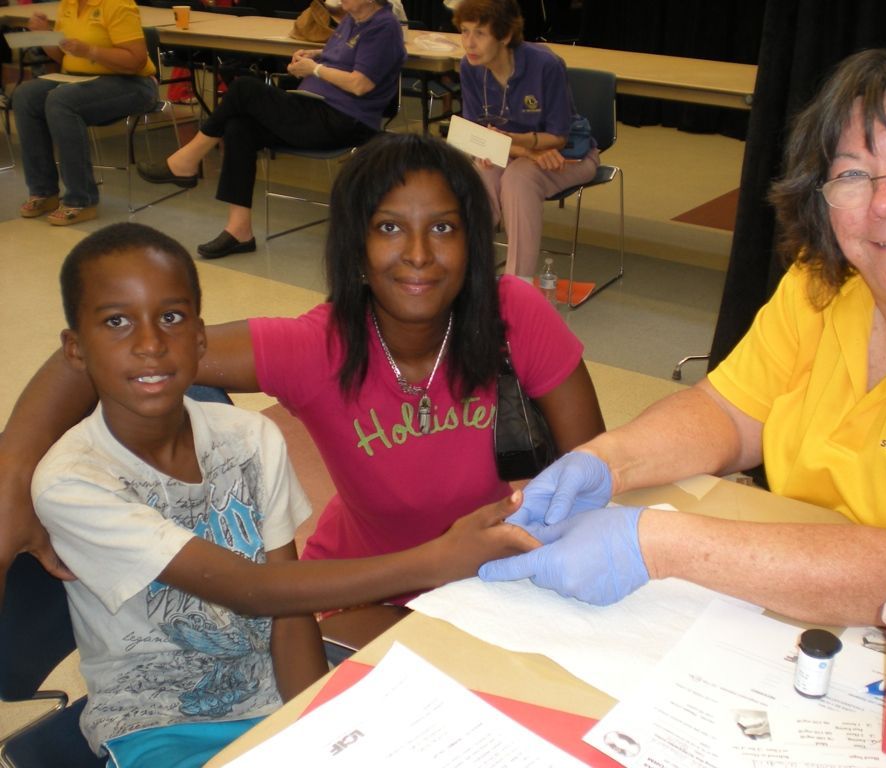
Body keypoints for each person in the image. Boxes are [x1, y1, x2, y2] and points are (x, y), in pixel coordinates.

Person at [480, 43, 886, 627]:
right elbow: (728, 414)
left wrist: (655, 545)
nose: (885, 202)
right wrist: (604, 461)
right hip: (804, 600)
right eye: (853, 174)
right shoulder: (825, 283)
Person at [0, 132, 604, 604]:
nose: (419, 254)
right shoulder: (318, 347)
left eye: (443, 228)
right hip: (367, 595)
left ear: (473, 239)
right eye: (389, 227)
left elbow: (596, 473)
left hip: (501, 585)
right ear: (354, 247)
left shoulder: (514, 314)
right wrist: (11, 477)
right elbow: (118, 347)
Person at [33, 222, 535, 767]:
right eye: (117, 322)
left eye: (172, 318)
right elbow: (255, 590)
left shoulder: (249, 439)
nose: (151, 343)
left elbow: (289, 610)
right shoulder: (75, 481)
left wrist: (310, 731)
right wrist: (436, 560)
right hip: (157, 727)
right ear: (75, 350)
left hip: (274, 694)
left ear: (201, 339)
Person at [137, 0, 404, 260]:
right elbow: (342, 56)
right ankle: (239, 230)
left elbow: (360, 84)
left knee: (244, 89)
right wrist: (314, 56)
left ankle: (186, 161)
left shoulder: (383, 27)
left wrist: (316, 69)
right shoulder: (353, 20)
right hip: (313, 110)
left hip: (344, 121)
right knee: (240, 127)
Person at [453, 0, 598, 279]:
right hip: (514, 153)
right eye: (464, 31)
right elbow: (474, 134)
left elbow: (557, 138)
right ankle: (467, 276)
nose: (469, 43)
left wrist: (514, 144)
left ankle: (519, 284)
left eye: (479, 33)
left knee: (518, 179)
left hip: (567, 155)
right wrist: (522, 151)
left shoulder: (545, 64)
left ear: (505, 35)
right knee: (482, 176)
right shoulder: (470, 67)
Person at [12, 0, 158, 226]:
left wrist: (91, 50)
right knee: (25, 95)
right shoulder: (68, 5)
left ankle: (82, 200)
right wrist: (44, 36)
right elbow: (64, 57)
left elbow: (136, 61)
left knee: (61, 101)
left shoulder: (117, 5)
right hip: (78, 78)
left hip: (131, 83)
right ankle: (43, 191)